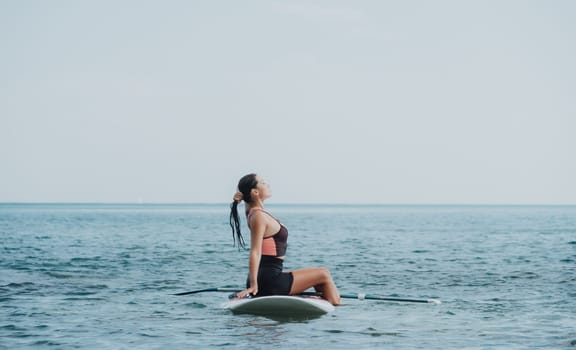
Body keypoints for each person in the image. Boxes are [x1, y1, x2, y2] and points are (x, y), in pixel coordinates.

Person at [229, 173, 341, 305]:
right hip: (268, 281)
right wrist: (253, 286)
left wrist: (240, 195)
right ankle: (337, 309)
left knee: (319, 279)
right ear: (255, 192)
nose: (267, 184)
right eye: (263, 182)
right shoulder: (258, 216)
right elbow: (255, 251)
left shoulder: (252, 212)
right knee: (324, 273)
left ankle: (330, 303)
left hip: (266, 277)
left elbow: (247, 198)